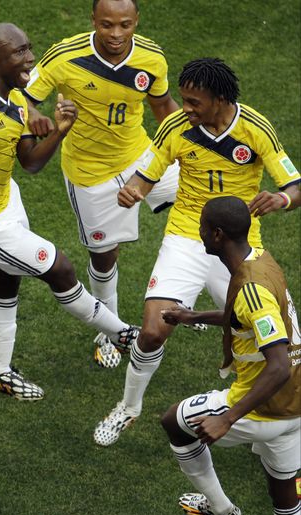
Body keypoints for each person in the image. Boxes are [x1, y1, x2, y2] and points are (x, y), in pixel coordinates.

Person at [0, 23, 138, 402]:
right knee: (59, 268)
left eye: (29, 48)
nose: (30, 58)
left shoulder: (16, 99)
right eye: (19, 52)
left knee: (4, 282)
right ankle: (125, 335)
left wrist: (60, 131)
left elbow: (30, 162)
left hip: (7, 202)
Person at [94, 57, 301, 446]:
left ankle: (270, 422)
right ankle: (129, 407)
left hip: (238, 247)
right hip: (188, 236)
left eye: (193, 102)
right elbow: (146, 173)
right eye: (183, 99)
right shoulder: (176, 127)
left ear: (220, 99)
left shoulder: (256, 129)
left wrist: (282, 199)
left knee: (274, 339)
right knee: (152, 331)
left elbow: (294, 184)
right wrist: (133, 191)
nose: (184, 108)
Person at [23, 0, 180, 368]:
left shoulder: (152, 58)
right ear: (93, 20)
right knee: (104, 256)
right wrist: (36, 116)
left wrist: (192, 144)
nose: (116, 34)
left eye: (125, 24)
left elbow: (163, 107)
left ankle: (188, 296)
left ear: (137, 20)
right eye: (107, 24)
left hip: (142, 155)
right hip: (90, 173)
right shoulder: (65, 55)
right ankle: (109, 332)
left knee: (208, 211)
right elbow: (22, 96)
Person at [159, 196, 299, 515]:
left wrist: (228, 417)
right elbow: (242, 316)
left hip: (264, 407)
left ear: (217, 235)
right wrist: (192, 316)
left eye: (203, 227)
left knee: (174, 422)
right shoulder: (261, 262)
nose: (199, 231)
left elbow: (278, 365)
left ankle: (220, 508)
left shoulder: (252, 289)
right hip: (296, 406)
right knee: (283, 489)